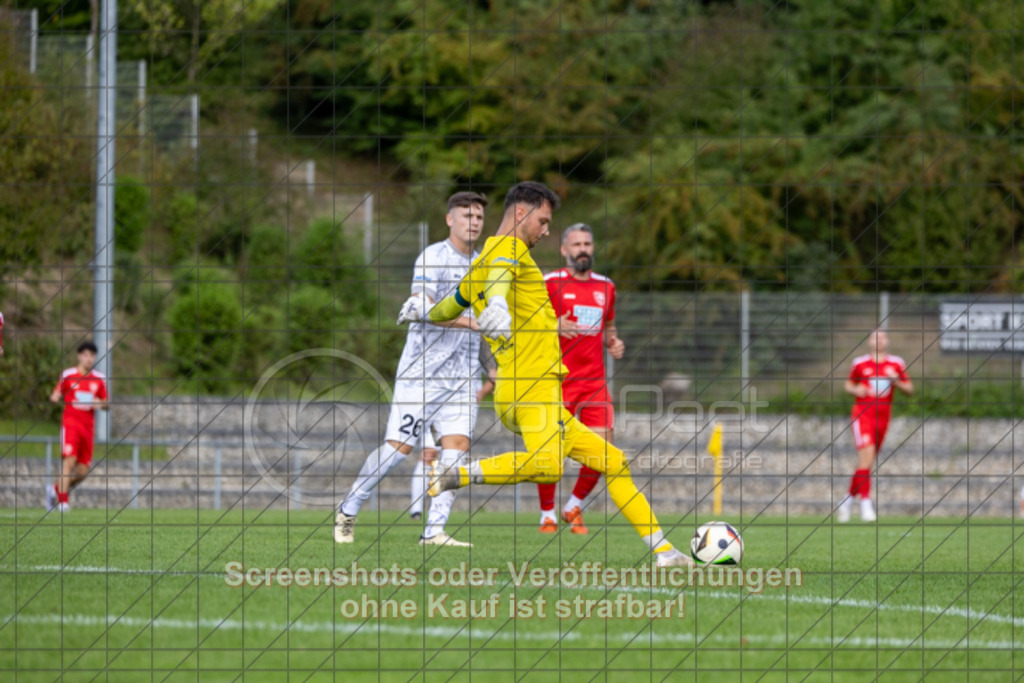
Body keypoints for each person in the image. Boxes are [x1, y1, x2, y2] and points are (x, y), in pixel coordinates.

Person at [404, 181, 694, 568]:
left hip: (541, 390)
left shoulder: (487, 257)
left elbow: (449, 306)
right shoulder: (507, 251)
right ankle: (455, 473)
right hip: (529, 387)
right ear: (521, 213)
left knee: (613, 461)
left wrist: (423, 311)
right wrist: (496, 306)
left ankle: (663, 552)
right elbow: (499, 282)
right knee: (547, 466)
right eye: (543, 221)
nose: (545, 230)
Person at [335, 191, 489, 547]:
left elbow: (487, 322)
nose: (474, 222)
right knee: (397, 451)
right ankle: (349, 507)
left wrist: (491, 364)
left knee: (456, 451)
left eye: (479, 217)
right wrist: (471, 322)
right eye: (467, 215)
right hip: (422, 374)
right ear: (450, 219)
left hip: (463, 377)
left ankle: (433, 531)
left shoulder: (484, 266)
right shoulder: (432, 257)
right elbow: (426, 306)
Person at [536, 223, 624, 534]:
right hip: (556, 381)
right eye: (576, 244)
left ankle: (573, 506)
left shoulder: (606, 287)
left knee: (602, 452)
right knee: (547, 453)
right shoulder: (549, 283)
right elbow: (525, 325)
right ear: (564, 250)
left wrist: (613, 341)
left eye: (587, 243)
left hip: (594, 383)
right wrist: (551, 325)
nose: (583, 249)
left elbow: (609, 325)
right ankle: (547, 514)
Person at [837, 329, 913, 522]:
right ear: (869, 341)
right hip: (862, 415)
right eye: (875, 337)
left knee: (866, 462)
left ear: (887, 341)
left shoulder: (896, 363)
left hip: (883, 418)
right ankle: (866, 505)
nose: (878, 340)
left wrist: (895, 379)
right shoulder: (860, 363)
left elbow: (909, 389)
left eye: (882, 337)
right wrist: (857, 389)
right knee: (866, 456)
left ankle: (846, 501)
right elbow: (848, 385)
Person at [46, 341, 109, 512]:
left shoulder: (99, 379)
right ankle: (63, 501)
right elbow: (57, 392)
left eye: (92, 356)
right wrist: (55, 396)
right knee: (69, 461)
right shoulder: (68, 375)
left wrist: (98, 403)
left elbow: (107, 404)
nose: (89, 359)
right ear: (79, 356)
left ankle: (56, 489)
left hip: (87, 428)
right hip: (71, 424)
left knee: (82, 473)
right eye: (86, 355)